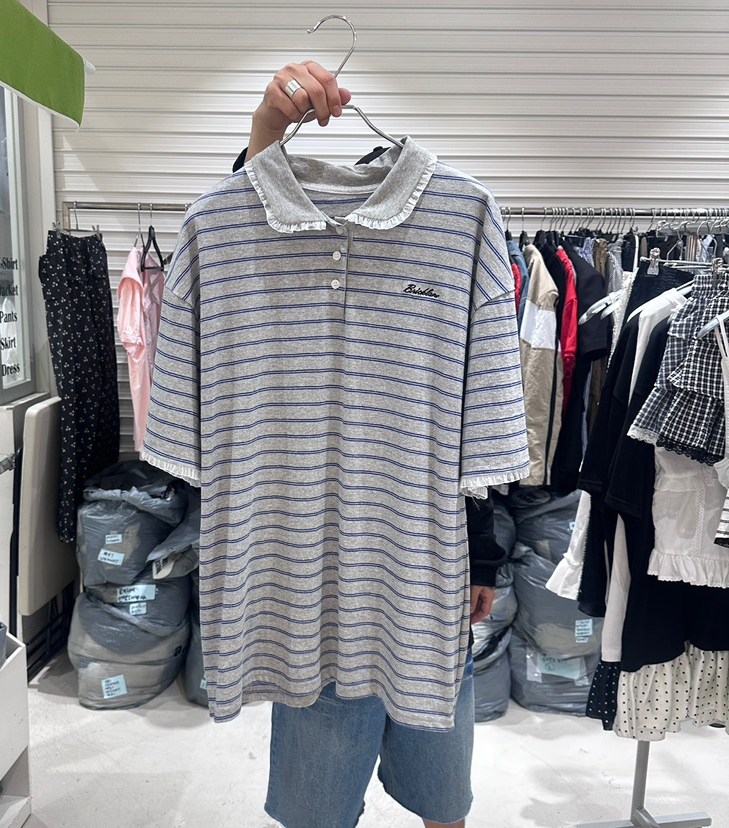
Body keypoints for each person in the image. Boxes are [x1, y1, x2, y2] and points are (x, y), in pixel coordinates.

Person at [234, 61, 507, 828]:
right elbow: (248, 221)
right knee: (319, 799)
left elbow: (480, 421)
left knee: (443, 785)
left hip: (424, 571)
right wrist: (265, 131)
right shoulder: (264, 245)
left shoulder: (462, 225)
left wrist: (483, 557)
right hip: (313, 582)